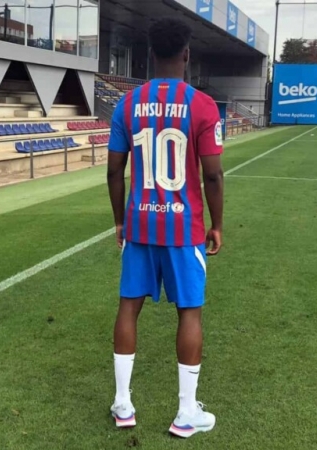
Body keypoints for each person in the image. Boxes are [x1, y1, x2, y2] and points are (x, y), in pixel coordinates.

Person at [106, 18, 225, 439]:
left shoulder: (127, 104)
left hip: (140, 225)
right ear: (187, 54)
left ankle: (123, 404)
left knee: (128, 307)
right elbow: (213, 175)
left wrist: (120, 220)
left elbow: (114, 171)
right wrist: (217, 224)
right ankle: (186, 413)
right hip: (183, 228)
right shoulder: (203, 105)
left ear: (150, 54)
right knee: (189, 311)